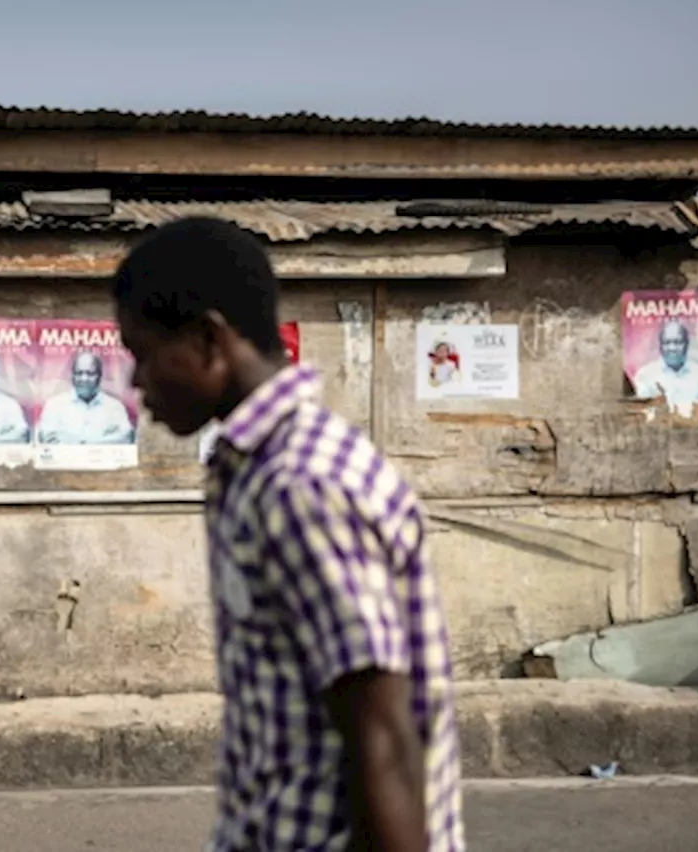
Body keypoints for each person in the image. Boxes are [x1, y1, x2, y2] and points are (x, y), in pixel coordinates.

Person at [111, 217, 463, 852]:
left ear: (210, 339)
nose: (136, 385)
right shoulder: (263, 468)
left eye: (143, 355)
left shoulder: (299, 486)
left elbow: (383, 738)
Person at [631, 319, 698, 424]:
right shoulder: (645, 375)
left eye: (677, 342)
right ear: (660, 346)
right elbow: (640, 413)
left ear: (687, 344)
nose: (672, 348)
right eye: (667, 343)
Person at [36, 351, 135, 444]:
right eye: (79, 373)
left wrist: (87, 445)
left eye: (90, 373)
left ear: (99, 376)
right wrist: (103, 441)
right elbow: (46, 437)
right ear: (72, 376)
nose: (84, 379)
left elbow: (126, 437)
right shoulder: (54, 405)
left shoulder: (115, 407)